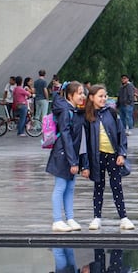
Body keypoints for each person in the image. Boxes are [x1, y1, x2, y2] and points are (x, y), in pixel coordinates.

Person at [81, 84, 134, 231]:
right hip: (96, 157)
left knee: (117, 186)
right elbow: (83, 143)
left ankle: (123, 217)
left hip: (113, 156)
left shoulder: (111, 112)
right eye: (100, 96)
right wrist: (84, 165)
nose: (103, 99)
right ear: (91, 98)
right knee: (98, 187)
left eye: (105, 96)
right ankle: (97, 217)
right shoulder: (87, 117)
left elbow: (121, 134)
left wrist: (122, 154)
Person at [45, 81, 86, 232]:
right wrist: (73, 161)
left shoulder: (74, 111)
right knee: (61, 187)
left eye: (83, 93)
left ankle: (70, 218)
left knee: (70, 187)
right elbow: (66, 137)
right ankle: (57, 220)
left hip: (70, 155)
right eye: (80, 93)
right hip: (63, 155)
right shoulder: (65, 111)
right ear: (70, 95)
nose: (83, 96)